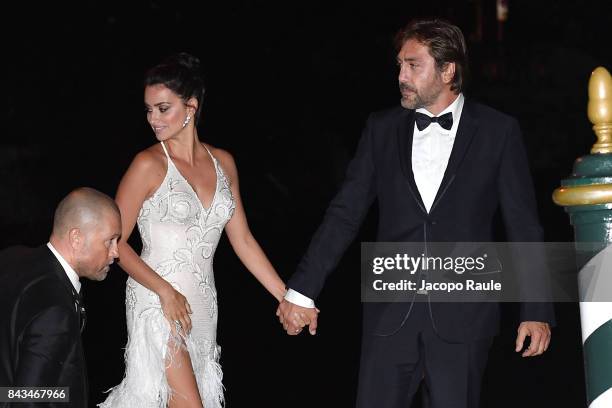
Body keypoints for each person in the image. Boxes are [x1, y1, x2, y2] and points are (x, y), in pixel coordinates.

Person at [277, 18, 555, 408]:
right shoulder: (381, 129)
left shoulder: (498, 131)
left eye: (413, 65)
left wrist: (537, 308)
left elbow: (523, 226)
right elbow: (344, 214)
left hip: (464, 315)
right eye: (399, 66)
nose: (401, 76)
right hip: (389, 314)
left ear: (448, 69)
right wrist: (302, 290)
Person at [99, 52, 287, 408]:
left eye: (163, 108)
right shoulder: (147, 164)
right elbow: (115, 242)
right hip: (155, 301)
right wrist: (165, 292)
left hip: (203, 307)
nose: (153, 118)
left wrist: (285, 296)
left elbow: (243, 240)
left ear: (191, 107)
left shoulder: (224, 163)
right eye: (149, 110)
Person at [0, 187, 121, 408]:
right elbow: (27, 399)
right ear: (76, 238)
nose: (116, 252)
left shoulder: (12, 257)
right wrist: (67, 396)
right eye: (110, 241)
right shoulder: (56, 309)